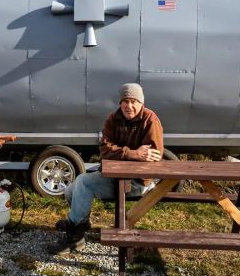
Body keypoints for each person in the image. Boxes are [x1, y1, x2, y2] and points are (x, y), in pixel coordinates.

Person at [48, 83, 164, 255]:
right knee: (71, 190)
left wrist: (120, 155)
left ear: (141, 103)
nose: (129, 106)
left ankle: (74, 236)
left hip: (136, 182)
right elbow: (104, 150)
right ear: (120, 103)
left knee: (83, 183)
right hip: (113, 177)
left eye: (133, 101)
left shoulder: (150, 120)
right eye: (125, 101)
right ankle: (80, 223)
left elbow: (152, 157)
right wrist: (132, 154)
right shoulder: (113, 118)